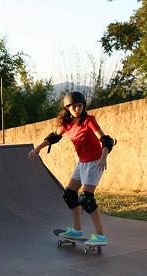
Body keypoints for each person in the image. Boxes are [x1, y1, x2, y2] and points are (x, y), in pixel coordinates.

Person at [28, 91, 115, 246]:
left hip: (95, 162)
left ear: (83, 106)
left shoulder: (89, 120)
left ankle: (100, 236)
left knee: (87, 199)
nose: (77, 109)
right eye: (73, 106)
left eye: (80, 105)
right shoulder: (68, 124)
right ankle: (77, 230)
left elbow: (105, 140)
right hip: (82, 163)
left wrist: (103, 157)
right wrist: (38, 148)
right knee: (69, 195)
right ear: (67, 108)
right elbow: (54, 136)